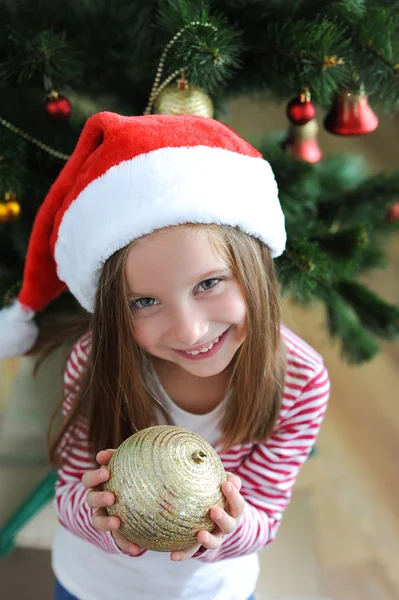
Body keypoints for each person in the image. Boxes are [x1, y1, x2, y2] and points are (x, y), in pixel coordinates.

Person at [0, 112, 330, 600]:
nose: (190, 330)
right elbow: (70, 488)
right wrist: (96, 515)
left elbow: (265, 514)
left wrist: (232, 527)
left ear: (255, 266)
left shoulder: (300, 379)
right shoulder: (96, 361)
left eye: (209, 283)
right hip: (93, 585)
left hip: (213, 590)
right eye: (145, 302)